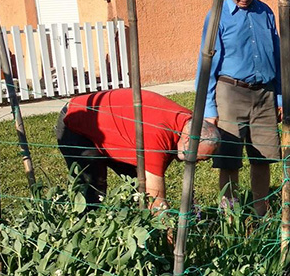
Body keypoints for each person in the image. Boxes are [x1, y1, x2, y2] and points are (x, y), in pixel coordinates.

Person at [196, 0, 282, 217]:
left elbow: (276, 56)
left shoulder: (265, 12)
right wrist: (210, 108)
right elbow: (207, 64)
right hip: (230, 94)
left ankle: (260, 212)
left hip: (264, 95)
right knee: (229, 159)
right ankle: (230, 215)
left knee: (263, 157)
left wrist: (279, 97)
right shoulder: (216, 16)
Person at [55, 89, 218, 210]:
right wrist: (170, 242)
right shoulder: (157, 137)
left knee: (138, 183)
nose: (197, 162)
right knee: (92, 191)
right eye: (199, 158)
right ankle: (88, 236)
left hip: (117, 130)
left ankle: (137, 224)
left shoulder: (190, 124)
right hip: (77, 120)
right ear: (188, 140)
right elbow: (157, 201)